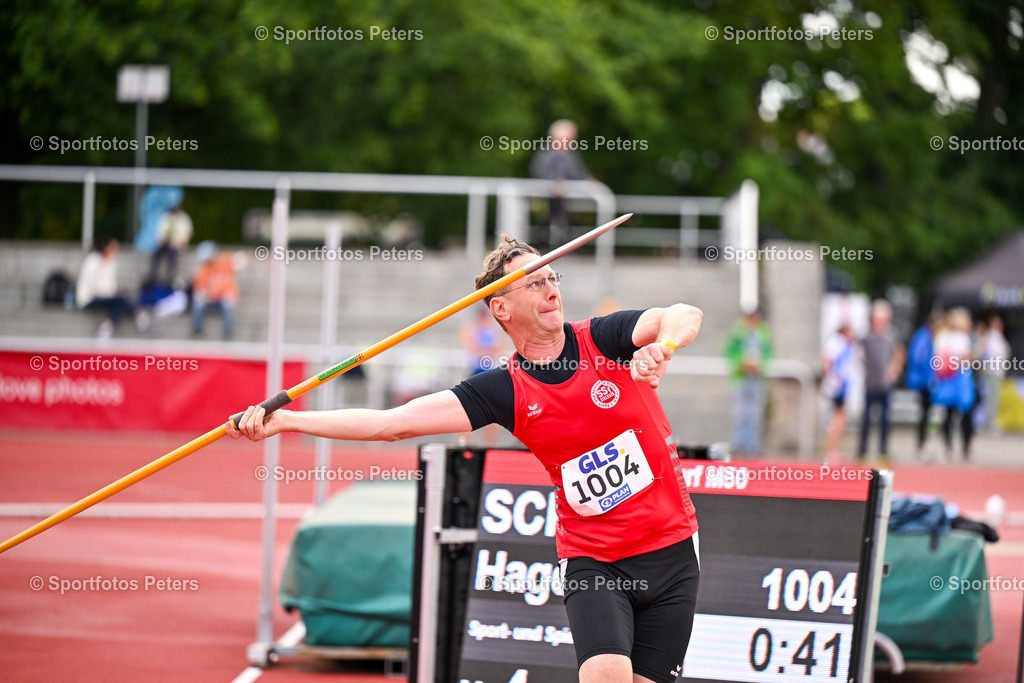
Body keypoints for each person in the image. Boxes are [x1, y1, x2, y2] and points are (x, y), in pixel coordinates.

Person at [229, 235, 704, 683]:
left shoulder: (606, 339)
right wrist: (289, 423)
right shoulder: (503, 389)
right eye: (534, 282)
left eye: (552, 277)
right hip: (595, 561)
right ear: (501, 307)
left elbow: (683, 313)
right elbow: (392, 423)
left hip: (674, 552)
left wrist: (664, 346)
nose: (550, 289)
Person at [529, 119, 592, 249]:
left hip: (566, 198)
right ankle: (542, 248)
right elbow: (538, 171)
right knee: (546, 220)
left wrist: (589, 182)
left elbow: (579, 173)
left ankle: (566, 247)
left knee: (567, 219)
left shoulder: (571, 156)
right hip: (545, 198)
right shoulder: (544, 154)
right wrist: (553, 184)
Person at [722, 306, 774, 455]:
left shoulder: (763, 333)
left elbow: (769, 354)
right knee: (739, 414)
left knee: (754, 414)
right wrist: (741, 364)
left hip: (756, 380)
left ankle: (752, 447)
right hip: (740, 379)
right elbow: (730, 353)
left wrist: (760, 365)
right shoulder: (737, 332)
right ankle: (738, 446)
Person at [75, 237, 150, 338]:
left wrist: (113, 293)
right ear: (106, 248)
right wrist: (111, 294)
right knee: (120, 301)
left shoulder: (111, 261)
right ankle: (138, 316)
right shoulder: (92, 261)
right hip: (88, 299)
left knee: (122, 298)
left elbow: (111, 284)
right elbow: (93, 289)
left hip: (104, 296)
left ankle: (110, 325)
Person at [858, 300, 904, 461]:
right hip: (870, 382)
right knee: (866, 418)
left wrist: (894, 371)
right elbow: (858, 354)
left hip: (885, 384)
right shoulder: (866, 336)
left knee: (885, 418)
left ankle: (883, 451)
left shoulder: (891, 334)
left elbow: (899, 353)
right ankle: (862, 451)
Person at [931, 308, 976, 461]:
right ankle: (957, 448)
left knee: (958, 415)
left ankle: (959, 449)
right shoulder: (950, 337)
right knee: (956, 415)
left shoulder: (953, 337)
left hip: (957, 379)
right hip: (954, 379)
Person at [905, 313, 940, 454]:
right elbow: (919, 358)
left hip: (923, 380)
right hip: (923, 381)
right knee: (925, 413)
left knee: (926, 413)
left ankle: (923, 442)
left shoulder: (924, 336)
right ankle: (921, 443)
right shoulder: (924, 337)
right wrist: (929, 378)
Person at [191, 241, 239, 339]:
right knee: (198, 302)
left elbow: (241, 259)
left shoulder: (225, 261)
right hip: (209, 298)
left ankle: (228, 333)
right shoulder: (203, 268)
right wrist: (206, 294)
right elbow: (199, 286)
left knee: (229, 303)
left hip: (223, 297)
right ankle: (197, 331)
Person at [822, 323, 856, 459]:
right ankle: (830, 449)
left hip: (843, 386)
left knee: (841, 418)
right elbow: (826, 360)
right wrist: (831, 378)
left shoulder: (847, 344)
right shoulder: (836, 343)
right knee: (837, 418)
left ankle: (834, 448)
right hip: (837, 386)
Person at [977, 314, 1010, 433]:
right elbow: (987, 354)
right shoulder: (991, 337)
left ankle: (989, 421)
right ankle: (989, 423)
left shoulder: (997, 336)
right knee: (991, 398)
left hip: (997, 371)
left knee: (994, 398)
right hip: (992, 371)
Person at [149, 204, 193, 286]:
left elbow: (187, 234)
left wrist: (178, 243)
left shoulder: (184, 218)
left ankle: (171, 275)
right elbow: (160, 232)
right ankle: (153, 274)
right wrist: (162, 240)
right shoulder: (165, 217)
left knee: (172, 254)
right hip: (165, 243)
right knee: (156, 253)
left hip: (176, 245)